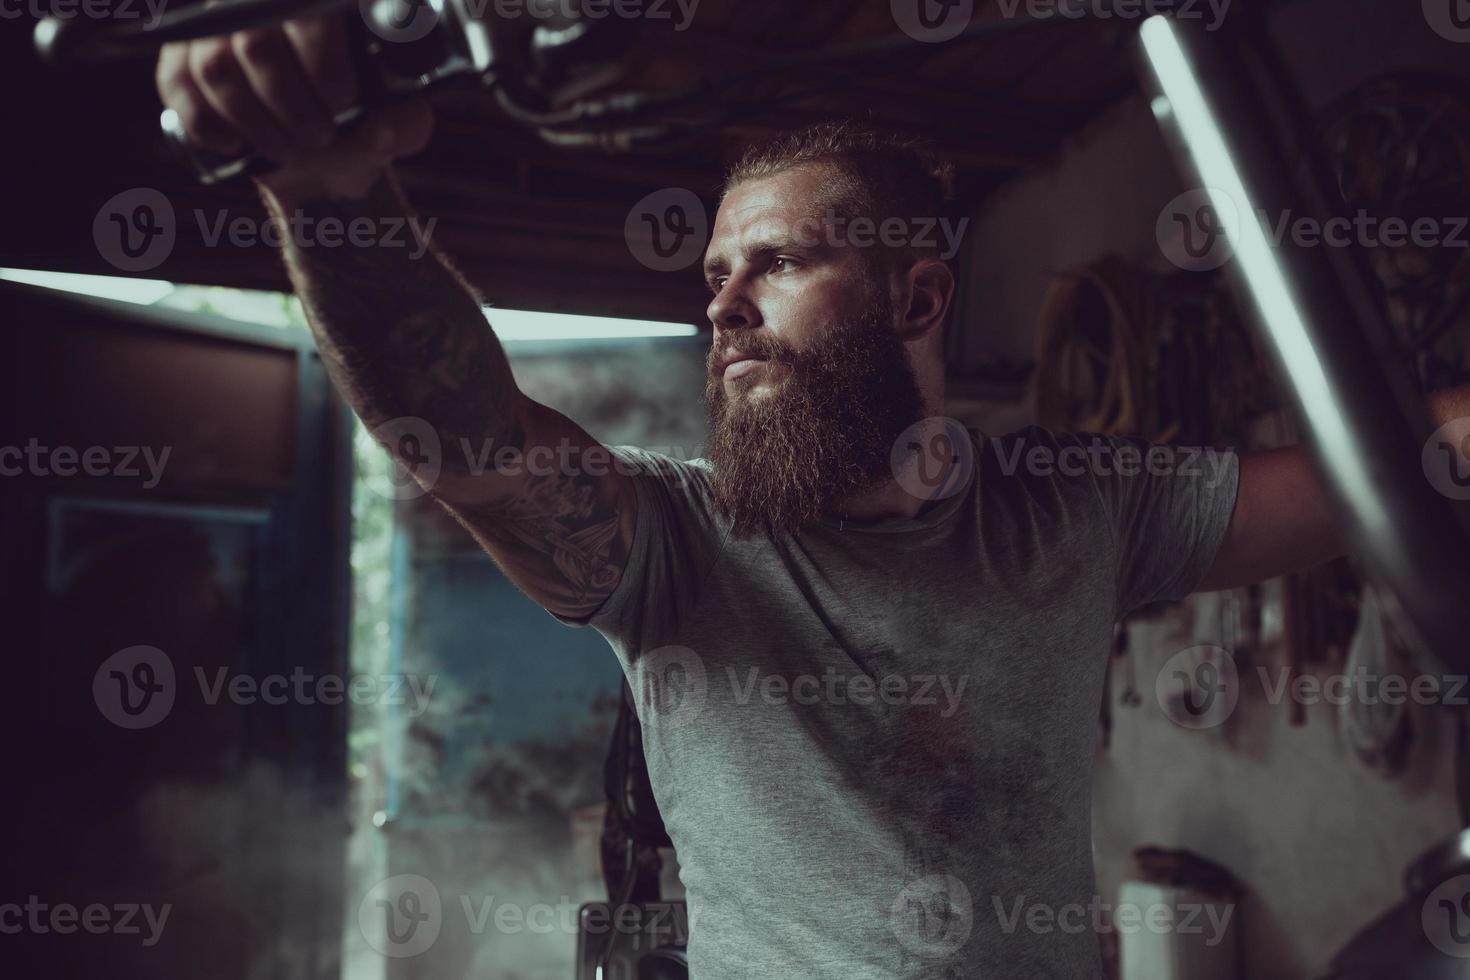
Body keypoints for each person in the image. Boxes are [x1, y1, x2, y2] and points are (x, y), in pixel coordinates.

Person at [156, 14, 1469, 978]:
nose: (723, 302)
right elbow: (455, 431)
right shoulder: (672, 545)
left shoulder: (1075, 508)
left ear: (916, 296)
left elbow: (1380, 474)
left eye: (776, 261)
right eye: (713, 274)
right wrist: (327, 198)